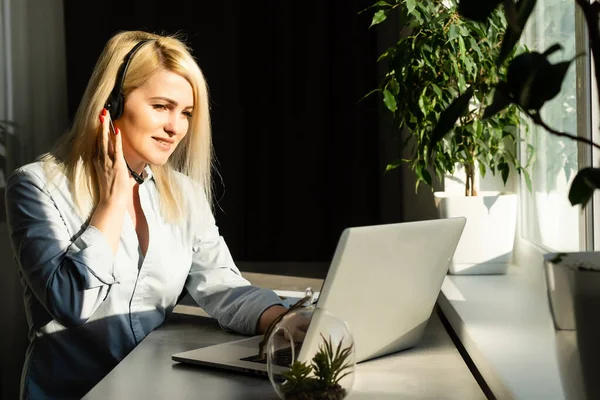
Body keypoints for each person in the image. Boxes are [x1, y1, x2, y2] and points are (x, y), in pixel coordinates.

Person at [4, 30, 293, 400]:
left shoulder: (184, 193)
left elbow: (221, 283)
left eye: (185, 113)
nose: (176, 128)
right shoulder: (35, 186)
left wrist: (283, 319)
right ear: (111, 104)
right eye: (161, 106)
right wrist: (111, 203)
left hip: (158, 387)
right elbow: (72, 304)